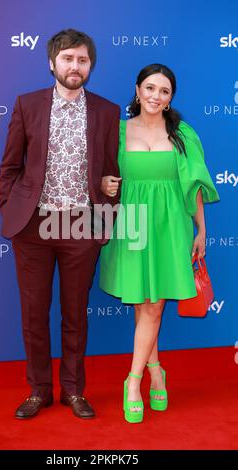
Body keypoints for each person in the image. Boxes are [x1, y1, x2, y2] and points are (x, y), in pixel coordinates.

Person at [0, 29, 120, 420]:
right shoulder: (28, 105)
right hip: (33, 227)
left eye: (82, 60)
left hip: (82, 226)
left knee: (74, 313)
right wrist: (11, 211)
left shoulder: (106, 111)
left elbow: (111, 175)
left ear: (90, 66)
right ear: (52, 62)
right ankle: (38, 390)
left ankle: (73, 390)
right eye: (68, 59)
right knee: (34, 314)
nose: (75, 66)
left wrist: (107, 201)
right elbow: (10, 168)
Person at [100, 64, 219, 423]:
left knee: (153, 305)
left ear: (170, 99)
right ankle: (157, 371)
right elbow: (103, 177)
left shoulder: (183, 134)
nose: (156, 96)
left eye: (164, 91)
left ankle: (133, 381)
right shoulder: (117, 132)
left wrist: (201, 230)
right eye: (150, 88)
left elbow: (194, 187)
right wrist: (106, 184)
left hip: (170, 226)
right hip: (132, 223)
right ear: (137, 90)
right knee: (142, 305)